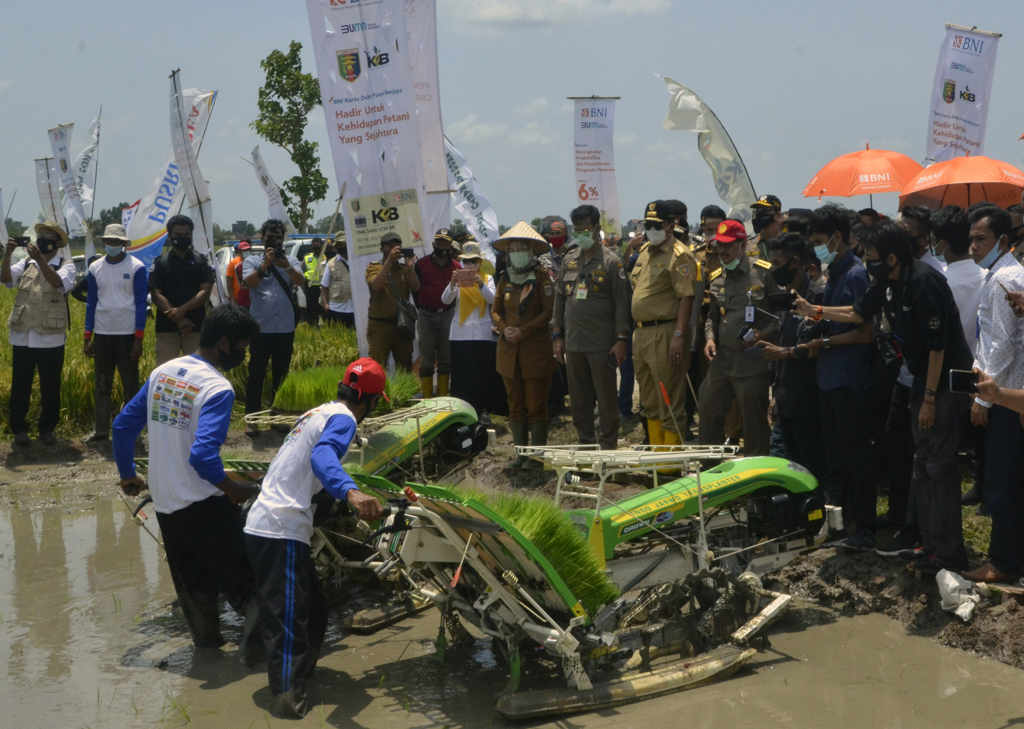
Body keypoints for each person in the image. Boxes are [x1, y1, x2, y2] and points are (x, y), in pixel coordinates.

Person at [795, 220, 974, 572]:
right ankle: (929, 544)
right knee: (922, 466)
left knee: (938, 468)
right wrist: (815, 311)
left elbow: (939, 347)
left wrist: (929, 399)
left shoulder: (924, 281)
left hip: (943, 383)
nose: (868, 261)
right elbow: (857, 313)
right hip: (921, 380)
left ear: (892, 257)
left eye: (873, 256)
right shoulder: (888, 282)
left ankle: (949, 554)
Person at [112, 304, 262, 653]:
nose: (244, 354)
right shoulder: (217, 388)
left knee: (195, 592)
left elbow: (122, 427)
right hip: (204, 502)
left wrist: (127, 474)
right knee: (248, 588)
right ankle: (261, 667)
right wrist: (233, 489)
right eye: (242, 346)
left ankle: (207, 659)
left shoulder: (163, 372)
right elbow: (202, 456)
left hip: (166, 502)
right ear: (225, 344)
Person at [244, 357, 387, 718]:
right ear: (369, 401)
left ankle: (274, 665)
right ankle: (286, 699)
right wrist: (352, 493)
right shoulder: (345, 419)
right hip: (282, 527)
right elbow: (323, 457)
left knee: (312, 609)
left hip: (262, 522)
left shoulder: (316, 413)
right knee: (291, 616)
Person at [807, 205, 875, 545]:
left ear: (836, 238)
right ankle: (843, 523)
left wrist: (826, 339)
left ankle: (861, 527)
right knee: (837, 457)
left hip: (850, 378)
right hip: (830, 377)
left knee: (855, 457)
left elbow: (865, 330)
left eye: (820, 241)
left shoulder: (855, 274)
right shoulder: (834, 272)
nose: (817, 248)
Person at [964, 205, 1024, 582]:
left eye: (980, 239)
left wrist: (984, 398)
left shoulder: (1007, 278)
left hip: (1007, 395)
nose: (972, 247)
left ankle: (1002, 563)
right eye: (970, 239)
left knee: (1003, 482)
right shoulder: (998, 273)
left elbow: (1001, 346)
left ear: (1002, 240)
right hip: (1005, 390)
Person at [552, 204, 631, 450]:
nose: (581, 233)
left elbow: (622, 304)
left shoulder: (611, 262)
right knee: (579, 400)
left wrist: (621, 340)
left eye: (585, 229)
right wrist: (557, 336)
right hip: (574, 343)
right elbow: (559, 301)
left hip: (601, 344)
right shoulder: (569, 260)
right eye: (577, 229)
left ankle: (608, 448)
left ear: (597, 228)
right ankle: (586, 445)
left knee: (606, 400)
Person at [699, 219, 780, 454]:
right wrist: (710, 339)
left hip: (751, 362)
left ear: (742, 244)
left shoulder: (763, 273)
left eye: (729, 246)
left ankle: (757, 479)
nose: (722, 251)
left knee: (754, 422)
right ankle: (709, 471)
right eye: (719, 246)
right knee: (708, 410)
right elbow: (711, 317)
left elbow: (779, 317)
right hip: (722, 361)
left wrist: (760, 335)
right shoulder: (716, 277)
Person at [753, 233, 823, 477]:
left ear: (794, 263)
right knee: (781, 466)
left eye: (778, 263)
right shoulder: (787, 297)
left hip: (808, 396)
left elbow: (818, 346)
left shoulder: (815, 297)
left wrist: (783, 354)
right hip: (785, 397)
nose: (773, 269)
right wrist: (775, 393)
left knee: (807, 466)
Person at [930, 206, 986, 508]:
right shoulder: (986, 274)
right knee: (982, 434)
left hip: (949, 364)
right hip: (983, 363)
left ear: (941, 243)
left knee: (950, 436)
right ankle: (983, 482)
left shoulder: (940, 279)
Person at [2, 222, 76, 446]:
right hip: (23, 334)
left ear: (56, 244)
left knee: (50, 386)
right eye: (39, 237)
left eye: (46, 239)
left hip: (50, 336)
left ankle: (47, 429)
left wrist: (41, 260)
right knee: (20, 384)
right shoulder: (25, 263)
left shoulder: (67, 265)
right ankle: (19, 430)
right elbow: (5, 279)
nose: (41, 241)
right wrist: (7, 254)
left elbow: (57, 282)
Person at [632, 201, 699, 445]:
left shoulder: (679, 255)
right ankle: (656, 458)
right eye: (648, 225)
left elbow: (686, 297)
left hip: (666, 332)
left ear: (671, 225)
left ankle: (670, 463)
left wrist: (679, 336)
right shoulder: (646, 251)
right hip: (641, 333)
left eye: (656, 225)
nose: (651, 229)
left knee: (668, 395)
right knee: (648, 398)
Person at [492, 222, 555, 467]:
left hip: (534, 351)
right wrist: (502, 327)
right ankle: (521, 454)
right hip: (508, 352)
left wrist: (523, 331)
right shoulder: (504, 279)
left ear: (530, 252)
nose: (516, 252)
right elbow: (495, 309)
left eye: (521, 248)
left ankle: (537, 457)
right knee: (515, 404)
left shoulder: (541, 280)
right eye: (513, 248)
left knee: (535, 404)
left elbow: (547, 313)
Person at [84, 224, 148, 444]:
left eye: (116, 242)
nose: (112, 245)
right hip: (102, 333)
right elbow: (91, 303)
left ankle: (133, 430)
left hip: (127, 333)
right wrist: (87, 336)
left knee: (130, 384)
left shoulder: (137, 267)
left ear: (124, 244)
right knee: (102, 383)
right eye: (109, 242)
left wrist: (139, 339)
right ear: (104, 243)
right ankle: (101, 430)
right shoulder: (95, 268)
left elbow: (141, 303)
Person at [242, 219, 305, 433]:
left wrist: (285, 265)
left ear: (283, 239)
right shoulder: (251, 260)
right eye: (270, 236)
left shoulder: (292, 260)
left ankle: (278, 418)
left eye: (278, 237)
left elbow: (300, 281)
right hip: (260, 327)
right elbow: (249, 283)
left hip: (285, 327)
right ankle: (252, 420)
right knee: (256, 375)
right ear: (262, 237)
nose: (274, 240)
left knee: (281, 374)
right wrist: (266, 264)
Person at [441, 242, 502, 419]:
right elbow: (445, 300)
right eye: (466, 262)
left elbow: (492, 299)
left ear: (479, 262)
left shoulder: (487, 278)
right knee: (461, 377)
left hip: (482, 335)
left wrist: (480, 284)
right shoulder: (457, 279)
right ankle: (462, 412)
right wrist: (452, 284)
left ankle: (483, 411)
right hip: (460, 335)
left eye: (473, 261)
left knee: (482, 375)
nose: (469, 265)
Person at [150, 215, 215, 365]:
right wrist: (180, 318)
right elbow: (155, 294)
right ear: (170, 236)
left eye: (186, 235)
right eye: (178, 235)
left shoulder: (201, 261)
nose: (183, 238)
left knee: (197, 372)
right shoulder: (160, 263)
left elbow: (205, 292)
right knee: (165, 373)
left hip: (195, 327)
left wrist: (181, 310)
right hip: (167, 329)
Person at [414, 229, 461, 397]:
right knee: (426, 359)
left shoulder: (457, 267)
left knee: (445, 358)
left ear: (450, 245)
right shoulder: (421, 264)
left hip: (448, 315)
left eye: (445, 243)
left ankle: (442, 397)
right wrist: (422, 306)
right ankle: (426, 398)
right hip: (426, 314)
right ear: (434, 244)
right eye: (439, 242)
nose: (442, 246)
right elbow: (415, 290)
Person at [365, 233, 420, 370]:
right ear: (381, 248)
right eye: (389, 246)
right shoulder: (374, 267)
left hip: (402, 326)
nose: (393, 249)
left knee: (405, 366)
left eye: (397, 246)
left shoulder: (404, 269)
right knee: (377, 368)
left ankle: (404, 392)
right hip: (379, 325)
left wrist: (411, 267)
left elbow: (416, 287)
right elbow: (376, 286)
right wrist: (389, 262)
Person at [320, 237, 354, 327]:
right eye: (339, 245)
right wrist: (326, 304)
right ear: (336, 247)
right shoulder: (331, 264)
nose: (342, 247)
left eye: (343, 244)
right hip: (336, 309)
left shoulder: (356, 260)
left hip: (356, 309)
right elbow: (324, 287)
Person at [900, 205, 944, 273]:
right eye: (900, 230)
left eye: (907, 232)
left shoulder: (934, 270)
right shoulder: (900, 264)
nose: (901, 236)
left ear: (923, 240)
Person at [302, 238, 324, 325]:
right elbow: (302, 272)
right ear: (312, 247)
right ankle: (312, 327)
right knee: (311, 309)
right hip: (311, 287)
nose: (316, 250)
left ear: (322, 247)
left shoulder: (326, 257)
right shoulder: (307, 257)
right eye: (315, 248)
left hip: (323, 287)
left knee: (322, 309)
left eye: (318, 247)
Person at [227, 241, 252, 308]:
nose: (246, 252)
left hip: (253, 299)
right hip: (239, 299)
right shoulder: (234, 263)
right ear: (239, 251)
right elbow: (229, 283)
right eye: (244, 250)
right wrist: (232, 300)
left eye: (247, 250)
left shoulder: (254, 261)